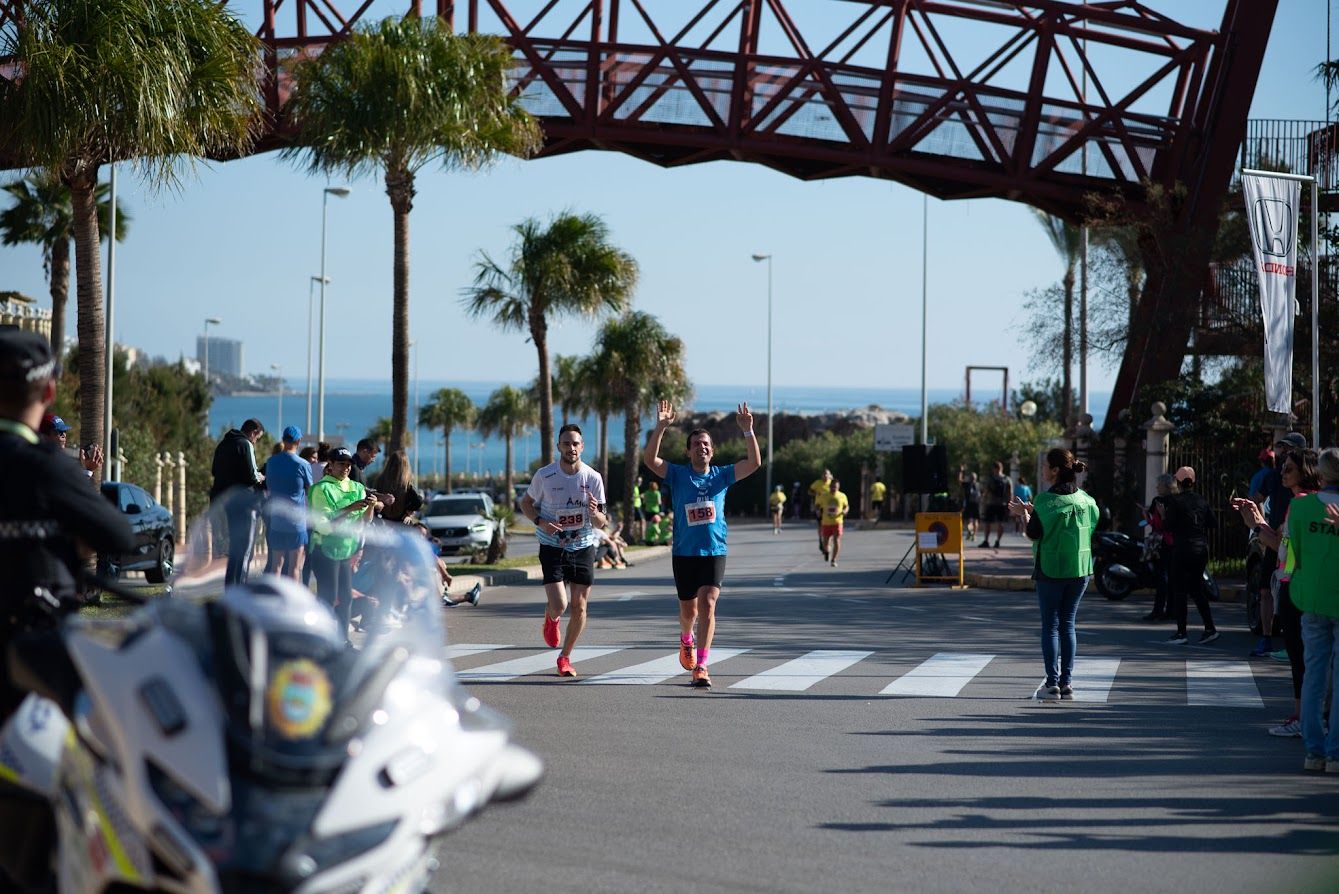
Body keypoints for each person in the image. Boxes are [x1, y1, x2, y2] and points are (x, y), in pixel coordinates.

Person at [643, 399, 761, 689]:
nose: (702, 447)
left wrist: (747, 431)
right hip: (684, 552)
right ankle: (686, 640)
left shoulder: (722, 475)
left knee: (708, 604)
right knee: (689, 611)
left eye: (706, 443)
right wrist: (660, 428)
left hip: (714, 551)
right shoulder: (678, 474)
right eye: (696, 444)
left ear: (713, 450)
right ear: (688, 451)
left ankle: (702, 664)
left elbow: (754, 463)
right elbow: (650, 461)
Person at [1232, 449, 1319, 738]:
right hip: (1296, 584)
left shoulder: (1302, 505)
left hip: (1297, 586)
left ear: (1305, 473)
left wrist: (1258, 525)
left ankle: (1305, 718)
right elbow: (1282, 543)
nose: (1282, 473)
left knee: (1302, 657)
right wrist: (1257, 522)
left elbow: (1283, 547)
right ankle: (1304, 715)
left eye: (1289, 469)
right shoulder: (1302, 503)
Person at [1008, 447, 1099, 701]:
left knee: (1050, 626)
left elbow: (1034, 533)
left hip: (1051, 569)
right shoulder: (1086, 500)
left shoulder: (1044, 501)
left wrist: (1024, 513)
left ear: (1056, 470)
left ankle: (1051, 684)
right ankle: (1067, 683)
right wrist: (1034, 510)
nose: (1042, 470)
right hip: (1080, 569)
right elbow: (1091, 524)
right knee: (1068, 623)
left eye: (1045, 466)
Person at [519, 424, 608, 678]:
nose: (571, 448)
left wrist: (594, 514)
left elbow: (603, 520)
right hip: (552, 545)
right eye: (566, 443)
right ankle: (552, 616)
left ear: (582, 446)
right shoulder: (545, 476)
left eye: (576, 443)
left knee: (580, 607)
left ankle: (565, 657)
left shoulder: (593, 478)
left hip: (582, 546)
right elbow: (525, 503)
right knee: (560, 604)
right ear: (559, 446)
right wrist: (540, 522)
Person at [1284, 447, 1339, 772]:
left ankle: (1313, 751)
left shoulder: (1300, 507)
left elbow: (1293, 555)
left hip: (1312, 597)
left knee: (1314, 675)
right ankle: (1335, 754)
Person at [308, 446, 380, 644]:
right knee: (328, 598)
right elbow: (323, 525)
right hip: (324, 550)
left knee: (346, 598)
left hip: (346, 550)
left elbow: (365, 521)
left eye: (348, 465)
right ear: (330, 465)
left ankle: (342, 641)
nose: (346, 468)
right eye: (341, 464)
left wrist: (370, 507)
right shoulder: (321, 489)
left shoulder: (357, 488)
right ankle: (322, 639)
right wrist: (348, 508)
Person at [1161, 466, 1217, 645]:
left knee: (1179, 591)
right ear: (1193, 482)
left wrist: (1163, 515)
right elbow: (1213, 523)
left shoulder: (1175, 502)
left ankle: (1181, 633)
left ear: (1178, 482)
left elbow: (1167, 526)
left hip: (1182, 549)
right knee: (1196, 589)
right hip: (1200, 550)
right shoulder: (1201, 500)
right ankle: (1210, 629)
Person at [209, 418, 265, 585]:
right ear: (254, 432)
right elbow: (251, 475)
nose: (255, 442)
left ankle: (230, 587)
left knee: (233, 549)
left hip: (222, 502)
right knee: (245, 549)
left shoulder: (223, 444)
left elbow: (214, 470)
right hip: (244, 504)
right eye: (257, 438)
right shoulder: (245, 444)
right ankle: (240, 588)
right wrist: (261, 477)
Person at [262, 425, 313, 579]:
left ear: (283, 440)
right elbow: (310, 491)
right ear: (299, 441)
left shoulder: (271, 462)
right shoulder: (302, 464)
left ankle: (273, 600)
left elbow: (269, 485)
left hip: (277, 520)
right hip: (296, 523)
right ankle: (293, 602)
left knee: (275, 566)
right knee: (295, 568)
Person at [1142, 473, 1178, 622]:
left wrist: (1147, 516)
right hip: (1174, 543)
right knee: (1171, 577)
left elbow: (1157, 525)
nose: (1157, 487)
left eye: (1159, 485)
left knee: (1161, 578)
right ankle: (1171, 611)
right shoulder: (1177, 501)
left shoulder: (1158, 501)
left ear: (1165, 486)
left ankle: (1158, 610)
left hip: (1161, 543)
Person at [374, 449, 424, 523]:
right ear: (405, 465)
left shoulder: (381, 480)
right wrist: (408, 513)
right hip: (401, 522)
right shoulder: (406, 483)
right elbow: (419, 501)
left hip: (382, 521)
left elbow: (374, 496)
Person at [817, 478, 850, 566]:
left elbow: (846, 506)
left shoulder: (842, 496)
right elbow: (817, 505)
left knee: (837, 540)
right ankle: (827, 551)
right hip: (826, 522)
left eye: (835, 487)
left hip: (838, 522)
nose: (833, 489)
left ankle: (834, 559)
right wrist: (817, 511)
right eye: (832, 487)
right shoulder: (824, 495)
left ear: (838, 487)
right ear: (829, 486)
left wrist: (845, 511)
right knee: (825, 543)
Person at [980, 460, 1011, 549]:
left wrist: (983, 501)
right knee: (1001, 523)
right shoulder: (1007, 479)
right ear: (1002, 468)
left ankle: (986, 541)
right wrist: (1010, 504)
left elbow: (986, 492)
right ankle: (998, 541)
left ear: (994, 468)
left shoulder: (990, 479)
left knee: (987, 522)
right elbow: (1010, 493)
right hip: (1002, 504)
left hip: (991, 503)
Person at [809, 469, 833, 559]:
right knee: (821, 526)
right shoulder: (817, 483)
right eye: (824, 474)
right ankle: (821, 540)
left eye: (827, 474)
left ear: (830, 475)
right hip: (819, 507)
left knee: (829, 526)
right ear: (822, 476)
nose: (825, 476)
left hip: (829, 508)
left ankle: (827, 546)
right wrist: (816, 493)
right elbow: (810, 491)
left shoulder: (832, 483)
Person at [958, 469, 981, 541]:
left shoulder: (967, 484)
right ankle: (974, 535)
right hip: (976, 503)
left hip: (969, 503)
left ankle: (970, 532)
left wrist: (961, 471)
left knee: (970, 520)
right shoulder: (978, 485)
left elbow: (959, 480)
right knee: (976, 520)